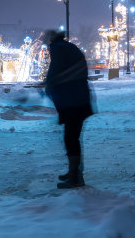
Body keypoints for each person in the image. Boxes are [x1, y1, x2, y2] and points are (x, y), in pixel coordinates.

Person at [43, 29, 93, 189]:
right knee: (73, 137)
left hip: (73, 101)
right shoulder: (68, 46)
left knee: (71, 138)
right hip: (78, 98)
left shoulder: (58, 48)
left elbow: (55, 70)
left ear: (51, 39)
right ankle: (75, 172)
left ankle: (75, 176)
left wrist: (49, 84)